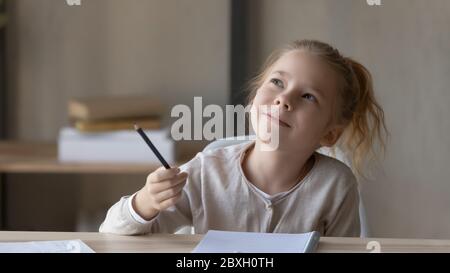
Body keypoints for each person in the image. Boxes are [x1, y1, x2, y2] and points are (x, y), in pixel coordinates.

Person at [99, 39, 387, 237]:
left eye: (308, 96)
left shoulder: (336, 184)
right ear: (253, 96)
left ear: (330, 134)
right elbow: (111, 234)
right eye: (277, 82)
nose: (284, 99)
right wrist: (146, 202)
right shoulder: (206, 172)